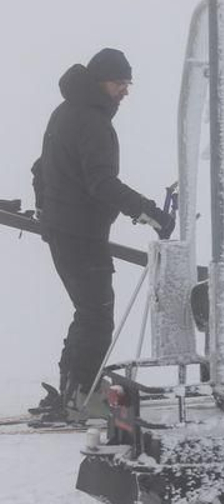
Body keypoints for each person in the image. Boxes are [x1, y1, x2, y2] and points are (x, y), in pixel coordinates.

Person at [29, 47, 174, 426]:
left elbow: (40, 168)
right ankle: (84, 396)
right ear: (98, 81)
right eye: (118, 83)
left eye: (128, 83)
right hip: (79, 233)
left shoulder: (67, 112)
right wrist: (149, 212)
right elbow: (101, 182)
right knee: (97, 315)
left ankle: (75, 386)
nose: (124, 91)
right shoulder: (91, 120)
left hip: (66, 230)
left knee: (88, 310)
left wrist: (46, 208)